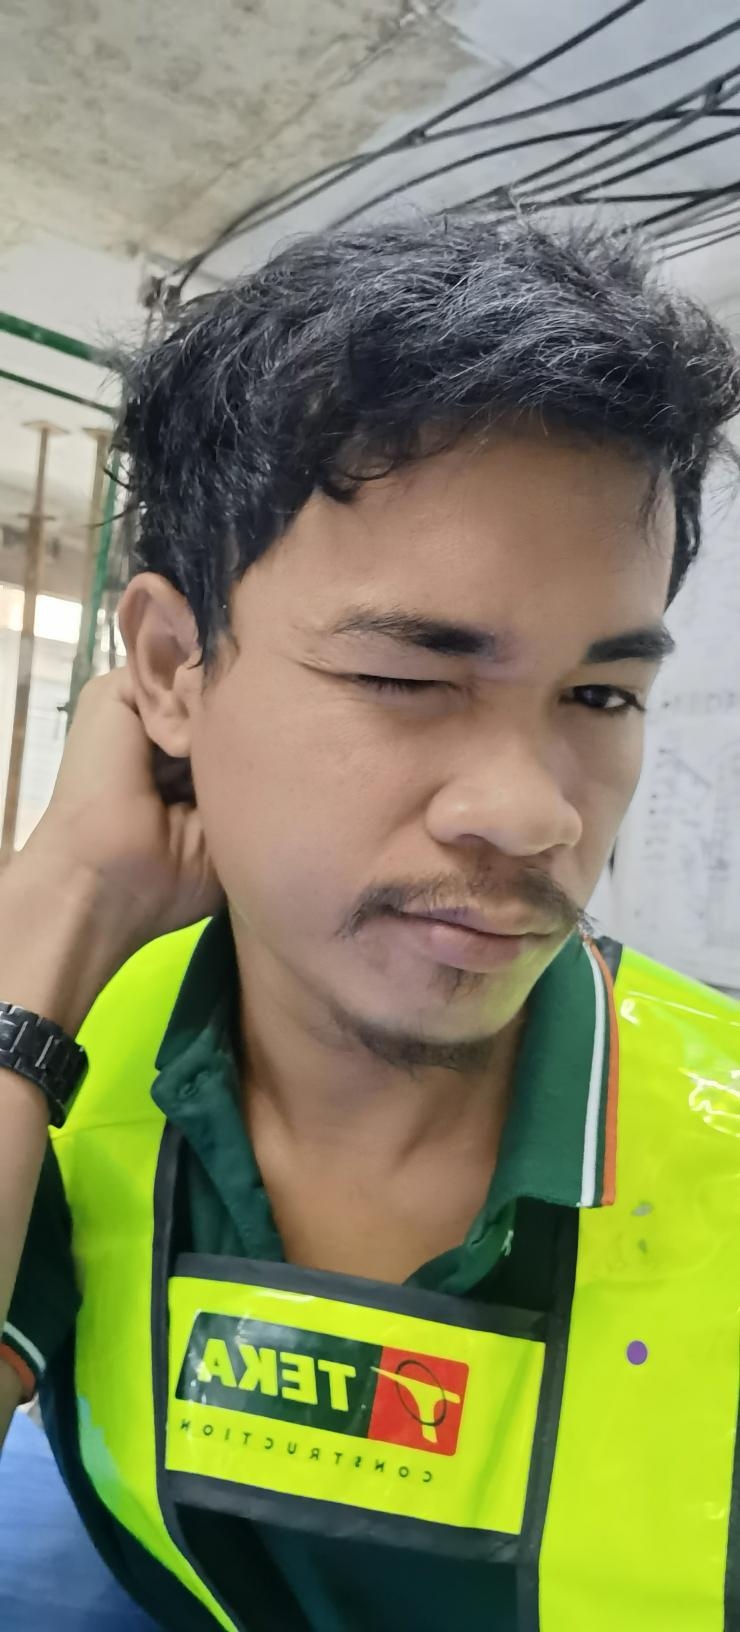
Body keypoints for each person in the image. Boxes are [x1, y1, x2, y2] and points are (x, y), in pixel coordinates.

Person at [0, 213, 738, 1632]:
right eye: (408, 677)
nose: (536, 812)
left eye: (601, 696)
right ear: (172, 668)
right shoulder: (78, 1082)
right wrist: (57, 911)